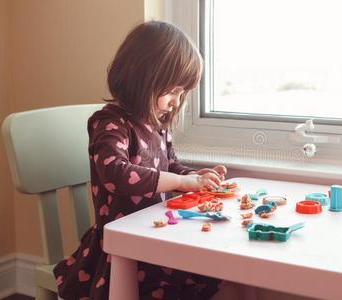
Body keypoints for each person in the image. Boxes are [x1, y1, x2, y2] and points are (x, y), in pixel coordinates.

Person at [54, 20, 227, 300]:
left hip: (153, 234)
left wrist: (196, 178)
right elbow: (116, 174)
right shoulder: (110, 123)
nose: (176, 101)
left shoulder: (157, 125)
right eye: (172, 91)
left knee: (207, 269)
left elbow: (170, 166)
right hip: (122, 246)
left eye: (182, 93)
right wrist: (182, 181)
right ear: (143, 78)